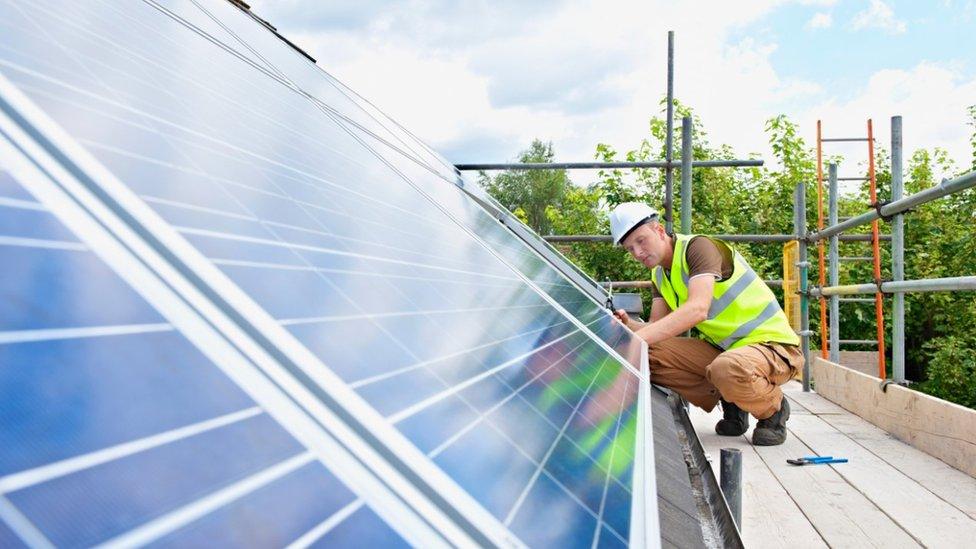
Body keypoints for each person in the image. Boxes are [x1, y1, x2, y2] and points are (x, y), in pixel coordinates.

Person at [608, 202, 804, 445]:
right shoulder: (659, 275)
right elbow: (656, 328)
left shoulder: (698, 248)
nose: (637, 253)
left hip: (771, 346)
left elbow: (698, 309)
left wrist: (639, 339)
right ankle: (732, 399)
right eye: (629, 249)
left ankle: (773, 411)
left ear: (659, 231)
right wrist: (629, 327)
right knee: (647, 356)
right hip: (727, 351)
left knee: (728, 368)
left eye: (641, 240)